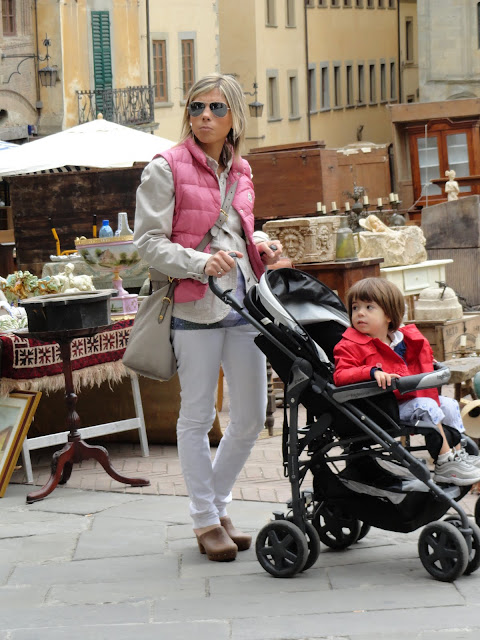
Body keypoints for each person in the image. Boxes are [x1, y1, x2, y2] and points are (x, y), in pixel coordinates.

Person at [133, 73, 283, 562]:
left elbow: (234, 233)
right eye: (197, 107)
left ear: (235, 115)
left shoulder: (241, 171)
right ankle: (205, 518)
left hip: (244, 304)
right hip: (194, 303)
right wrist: (199, 262)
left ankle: (216, 504)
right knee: (197, 417)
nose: (205, 117)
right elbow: (148, 244)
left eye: (217, 109)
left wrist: (260, 245)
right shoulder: (165, 168)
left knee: (251, 417)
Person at [333, 277, 480, 486]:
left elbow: (408, 365)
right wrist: (370, 372)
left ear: (388, 316)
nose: (360, 313)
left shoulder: (399, 340)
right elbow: (341, 375)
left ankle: (457, 452)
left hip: (407, 398)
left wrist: (428, 362)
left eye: (369, 307)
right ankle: (445, 461)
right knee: (428, 407)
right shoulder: (349, 345)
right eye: (355, 307)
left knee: (448, 404)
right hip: (383, 408)